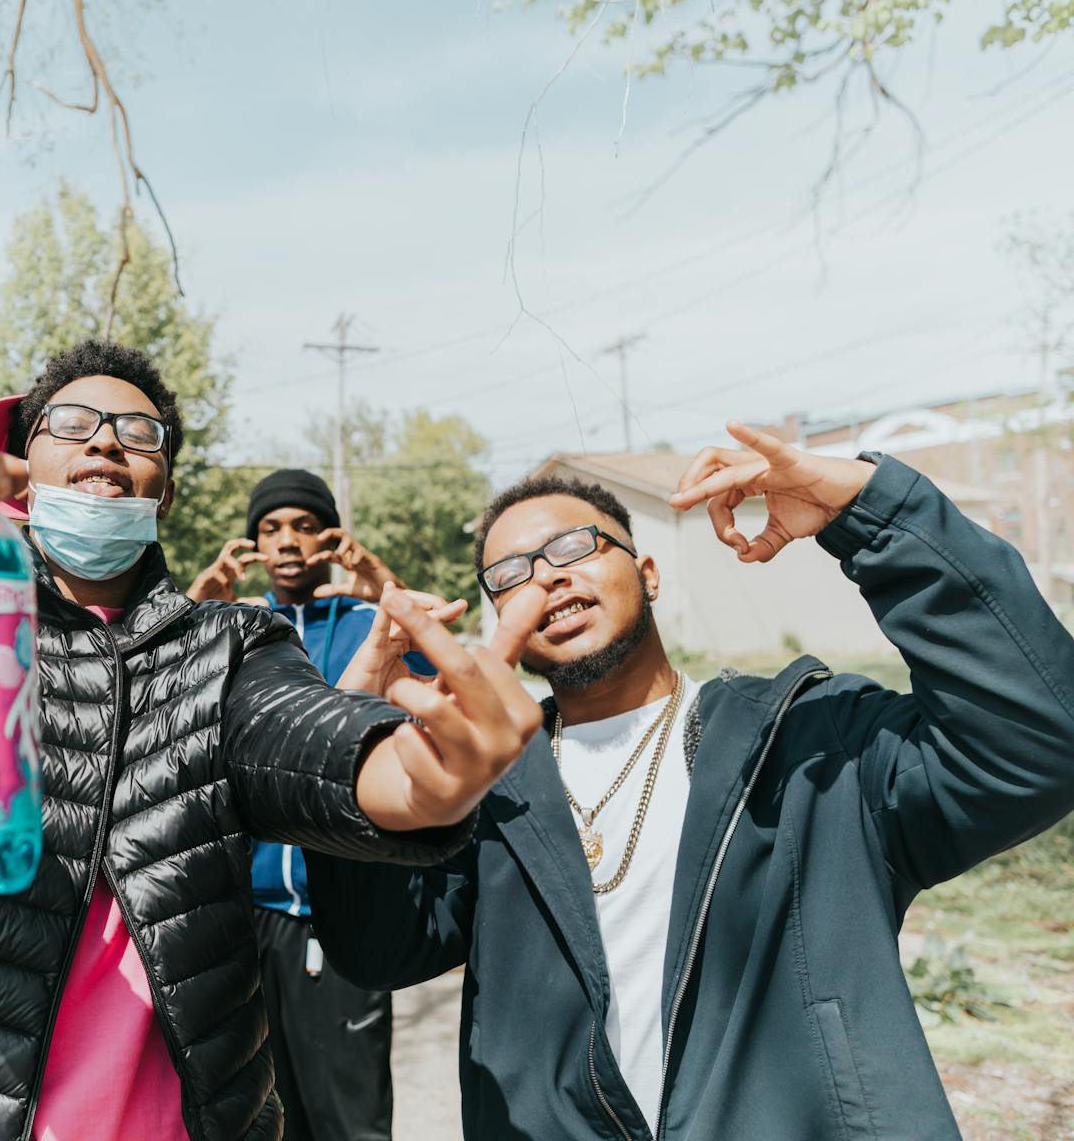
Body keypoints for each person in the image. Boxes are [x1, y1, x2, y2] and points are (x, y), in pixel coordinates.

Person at [0, 338, 550, 1141]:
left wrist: (419, 774)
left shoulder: (230, 646)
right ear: (20, 465)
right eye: (72, 422)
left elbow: (304, 738)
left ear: (163, 493)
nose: (105, 440)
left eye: (139, 432)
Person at [311, 423, 1074, 1140]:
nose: (547, 579)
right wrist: (350, 746)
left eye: (574, 547)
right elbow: (378, 952)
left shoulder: (809, 745)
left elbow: (1036, 744)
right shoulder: (489, 787)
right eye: (510, 574)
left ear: (646, 572)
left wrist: (873, 514)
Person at [187, 468, 449, 1141]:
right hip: (252, 916)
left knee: (347, 1117)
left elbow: (438, 683)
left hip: (332, 913)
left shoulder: (366, 623)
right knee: (266, 1114)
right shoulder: (235, 632)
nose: (287, 542)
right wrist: (194, 604)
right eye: (270, 529)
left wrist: (382, 582)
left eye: (304, 526)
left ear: (330, 538)